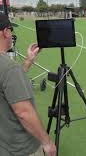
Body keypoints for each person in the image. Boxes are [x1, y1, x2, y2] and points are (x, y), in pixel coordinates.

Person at [0, 13, 56, 156]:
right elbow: (23, 112)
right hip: (19, 149)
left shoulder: (9, 69)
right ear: (5, 32)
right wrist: (47, 143)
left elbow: (8, 86)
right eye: (11, 29)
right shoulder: (9, 68)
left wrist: (27, 62)